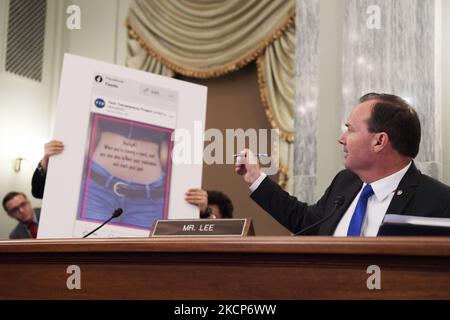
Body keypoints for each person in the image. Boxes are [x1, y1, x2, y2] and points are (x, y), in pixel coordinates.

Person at [236, 92, 450, 236]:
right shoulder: (345, 182)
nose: (341, 138)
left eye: (350, 129)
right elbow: (306, 222)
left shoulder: (439, 202)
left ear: (379, 141)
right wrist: (255, 178)